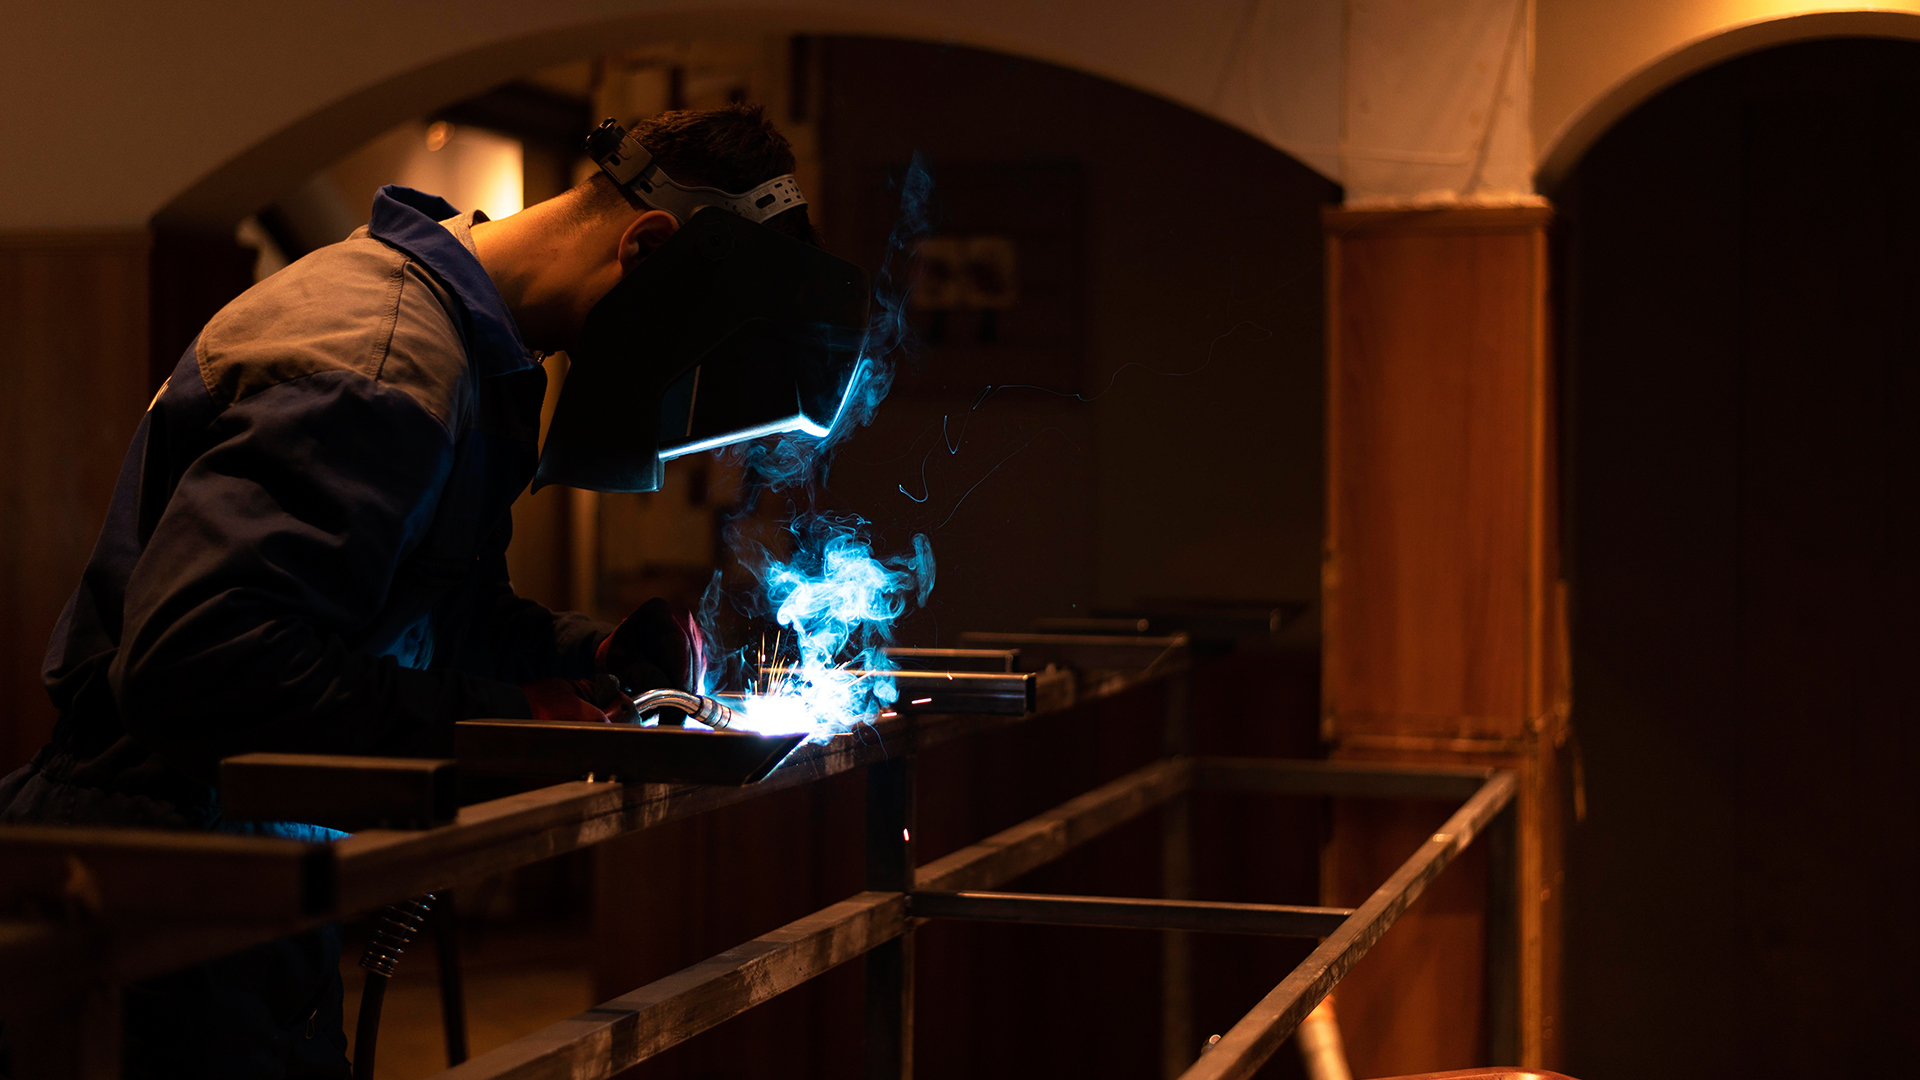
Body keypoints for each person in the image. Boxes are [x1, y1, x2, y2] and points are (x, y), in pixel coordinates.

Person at [0, 102, 819, 1079]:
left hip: (254, 851)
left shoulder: (468, 347)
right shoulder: (380, 355)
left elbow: (434, 613)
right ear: (643, 246)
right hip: (156, 862)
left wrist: (586, 658)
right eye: (681, 349)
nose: (665, 379)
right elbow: (200, 667)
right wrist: (513, 723)